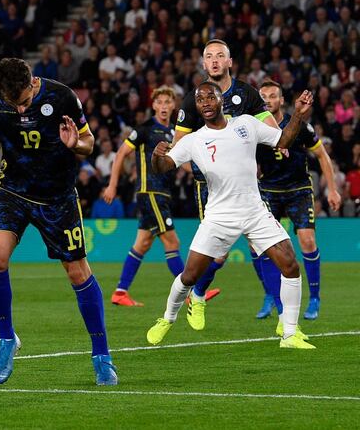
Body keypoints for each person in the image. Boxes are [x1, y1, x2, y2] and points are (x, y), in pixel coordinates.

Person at [0, 58, 117, 386]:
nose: (22, 107)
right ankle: (6, 340)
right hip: (13, 190)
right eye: (15, 104)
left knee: (77, 271)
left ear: (32, 80)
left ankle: (101, 355)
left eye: (26, 100)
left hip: (57, 198)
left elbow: (88, 142)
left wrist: (76, 145)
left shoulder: (62, 97)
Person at [147, 82, 315, 349]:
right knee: (189, 276)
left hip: (254, 210)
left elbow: (283, 140)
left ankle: (290, 334)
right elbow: (163, 168)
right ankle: (167, 318)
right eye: (199, 99)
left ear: (220, 100)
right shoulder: (194, 140)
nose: (204, 102)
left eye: (209, 97)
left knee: (291, 266)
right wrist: (157, 157)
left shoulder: (246, 124)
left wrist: (297, 115)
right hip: (219, 217)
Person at [172, 39, 280, 330]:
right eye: (209, 57)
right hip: (211, 188)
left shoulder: (247, 93)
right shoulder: (194, 100)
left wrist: (277, 145)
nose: (215, 60)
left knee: (263, 246)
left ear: (230, 61)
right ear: (204, 64)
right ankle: (197, 293)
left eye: (220, 55)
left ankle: (280, 309)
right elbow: (178, 146)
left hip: (247, 186)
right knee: (217, 256)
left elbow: (273, 130)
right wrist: (207, 168)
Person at [255, 80, 342, 321]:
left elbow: (322, 156)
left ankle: (314, 298)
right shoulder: (254, 127)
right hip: (269, 191)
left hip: (298, 189)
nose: (268, 100)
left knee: (307, 240)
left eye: (273, 96)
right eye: (263, 96)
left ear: (281, 100)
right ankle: (271, 295)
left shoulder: (299, 126)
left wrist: (332, 190)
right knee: (262, 247)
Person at [104, 86, 182, 306]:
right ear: (153, 105)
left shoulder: (175, 132)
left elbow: (182, 163)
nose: (164, 106)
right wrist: (112, 185)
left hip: (163, 193)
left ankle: (120, 293)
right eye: (160, 102)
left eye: (168, 102)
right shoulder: (145, 129)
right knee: (172, 240)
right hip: (150, 192)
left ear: (173, 105)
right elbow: (121, 153)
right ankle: (191, 294)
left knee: (143, 243)